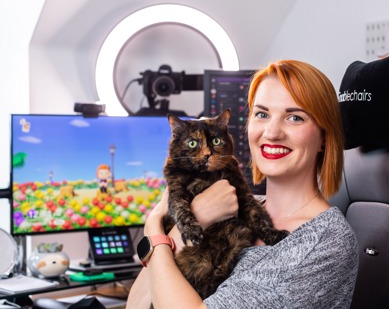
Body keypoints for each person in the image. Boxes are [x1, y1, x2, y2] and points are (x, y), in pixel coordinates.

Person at [126, 59, 358, 309]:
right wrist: (185, 226)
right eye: (262, 114)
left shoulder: (322, 241)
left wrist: (153, 227)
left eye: (294, 118)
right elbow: (137, 305)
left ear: (324, 136)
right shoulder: (227, 205)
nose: (271, 132)